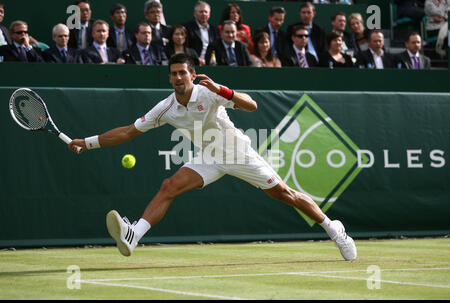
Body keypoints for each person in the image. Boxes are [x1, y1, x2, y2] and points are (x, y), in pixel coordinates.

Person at [67, 53, 357, 262]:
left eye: (183, 73)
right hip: (209, 157)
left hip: (237, 152)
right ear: (169, 77)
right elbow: (129, 132)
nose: (178, 78)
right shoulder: (165, 107)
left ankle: (334, 230)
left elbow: (252, 106)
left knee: (284, 194)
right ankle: (134, 235)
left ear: (193, 75)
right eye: (174, 73)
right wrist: (88, 143)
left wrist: (222, 90)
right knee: (170, 186)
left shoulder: (208, 92)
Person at [184, 1, 220, 66]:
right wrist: (197, 59)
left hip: (211, 64)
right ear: (195, 14)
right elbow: (185, 47)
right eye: (201, 12)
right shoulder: (187, 28)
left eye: (206, 12)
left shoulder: (215, 30)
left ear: (209, 14)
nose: (204, 14)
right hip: (192, 63)